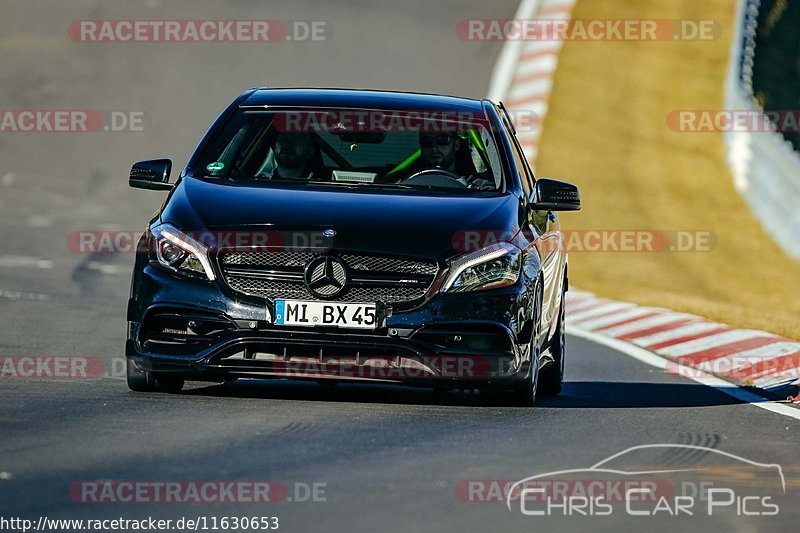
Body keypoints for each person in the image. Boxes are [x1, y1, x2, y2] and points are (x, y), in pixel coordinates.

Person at [400, 132, 495, 189]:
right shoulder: (400, 185)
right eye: (426, 141)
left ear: (457, 145)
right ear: (421, 145)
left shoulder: (478, 187)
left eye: (442, 139)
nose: (434, 147)